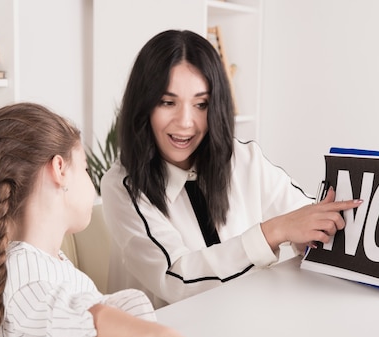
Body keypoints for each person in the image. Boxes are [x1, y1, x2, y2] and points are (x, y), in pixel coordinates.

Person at [0, 102, 235, 337]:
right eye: (86, 169)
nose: (92, 183)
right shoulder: (26, 278)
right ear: (59, 169)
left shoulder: (14, 259)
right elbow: (84, 317)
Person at [100, 29, 363, 308]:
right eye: (168, 102)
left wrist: (309, 237)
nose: (186, 121)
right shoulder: (123, 186)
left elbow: (304, 214)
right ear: (143, 106)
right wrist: (273, 232)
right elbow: (176, 278)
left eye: (201, 104)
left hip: (241, 324)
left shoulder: (242, 158)